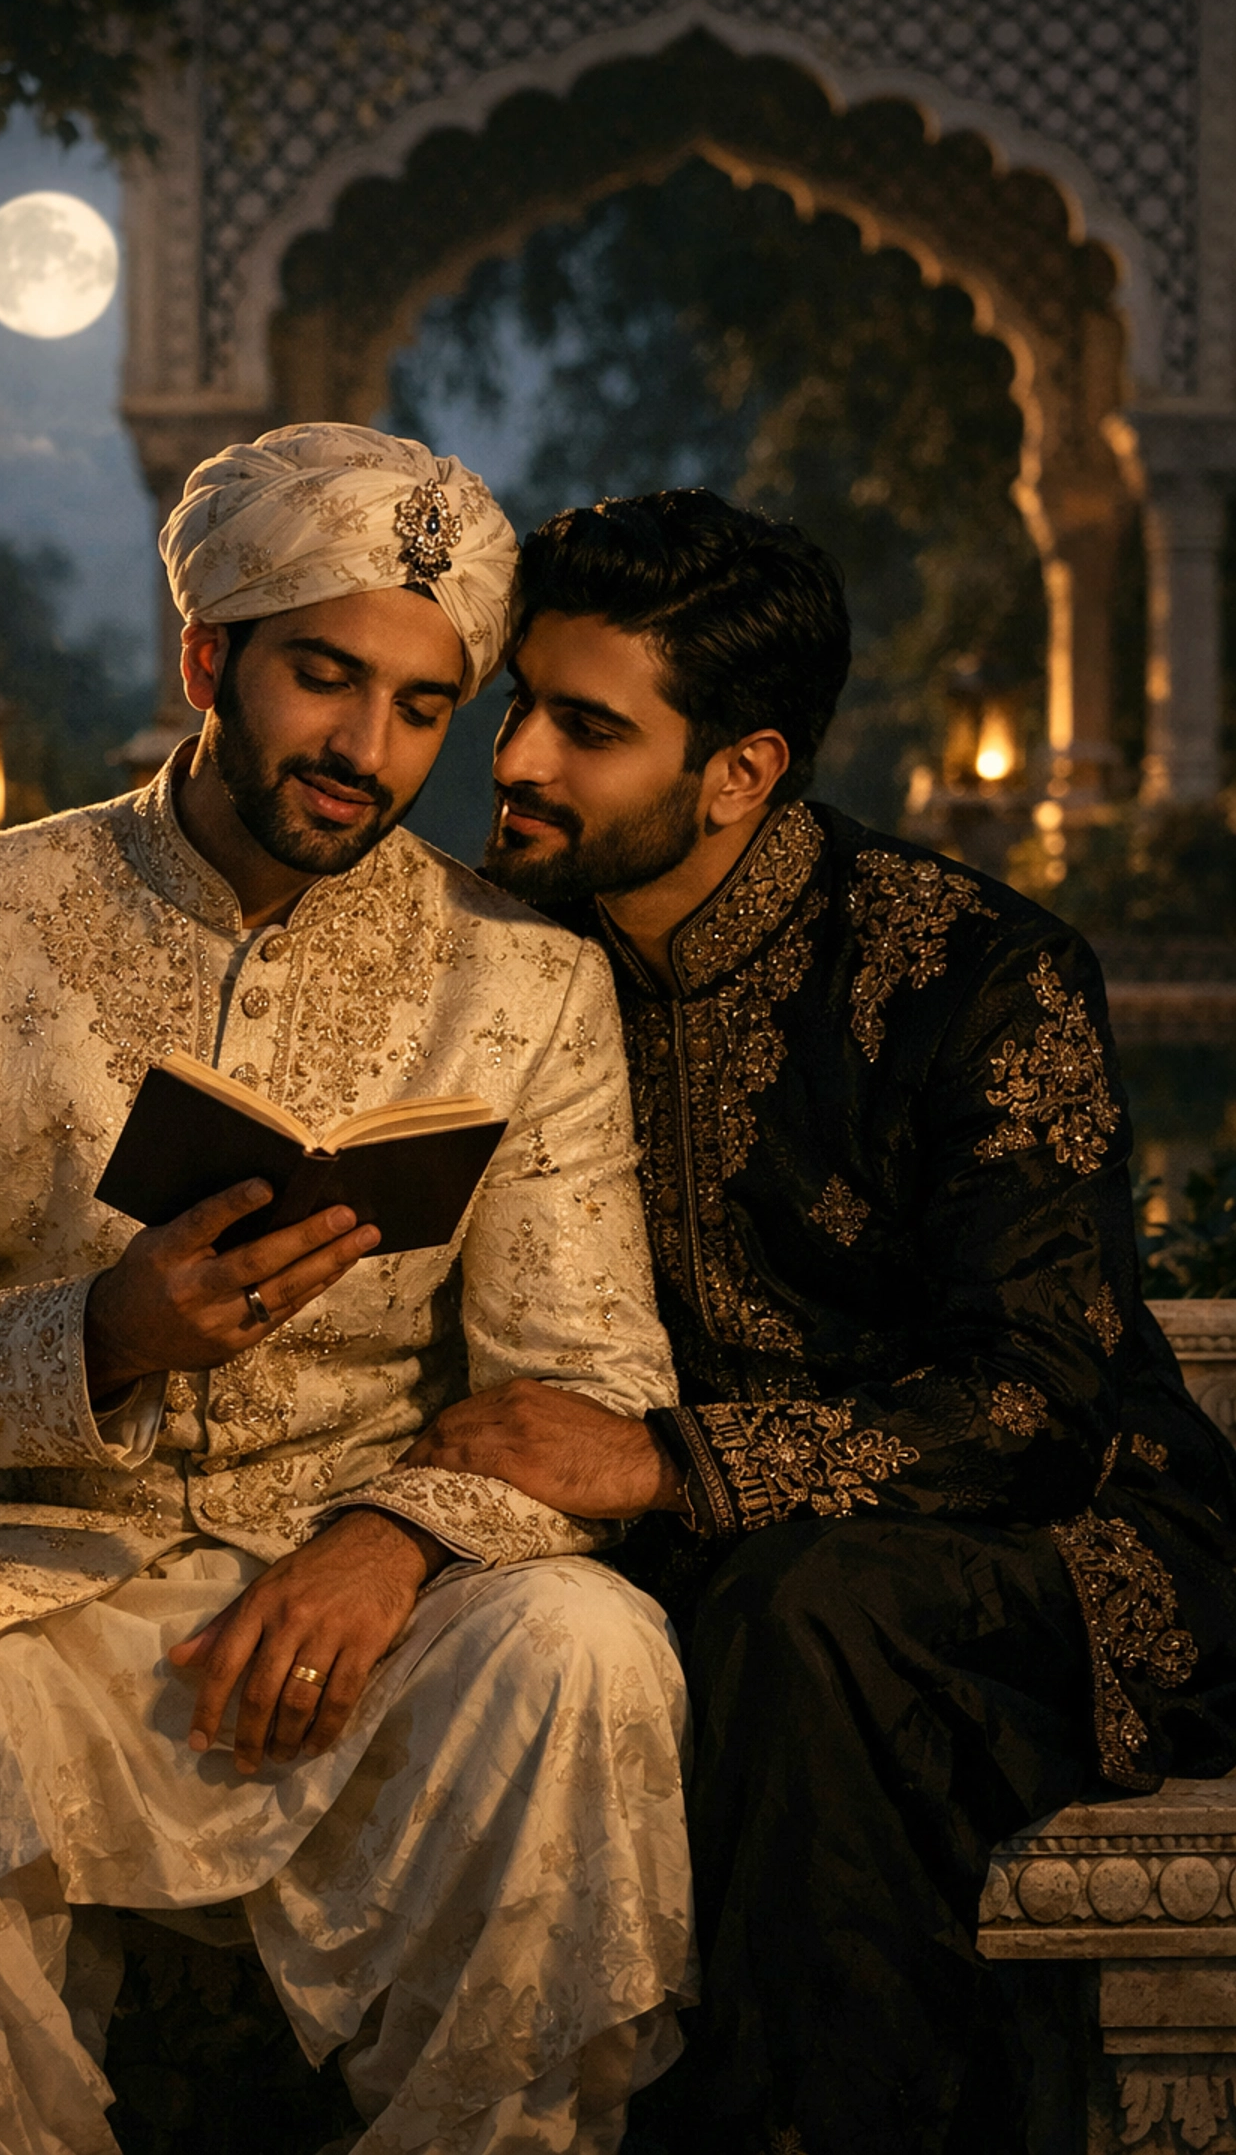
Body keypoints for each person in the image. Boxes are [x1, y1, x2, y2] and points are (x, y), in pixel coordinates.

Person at [0, 429, 695, 2155]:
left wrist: (394, 1541)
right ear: (206, 660)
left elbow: (590, 1382)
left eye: (421, 704)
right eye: (326, 679)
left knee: (582, 1650)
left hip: (362, 1583)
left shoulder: (526, 986)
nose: (367, 750)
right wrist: (105, 1336)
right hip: (21, 1574)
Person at [404, 488, 1236, 2155]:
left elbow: (1035, 1403)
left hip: (1071, 1561)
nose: (515, 765)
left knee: (805, 1618)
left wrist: (666, 1463)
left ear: (743, 771)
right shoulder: (496, 966)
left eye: (588, 728)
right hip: (717, 1575)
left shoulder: (973, 970)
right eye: (518, 708)